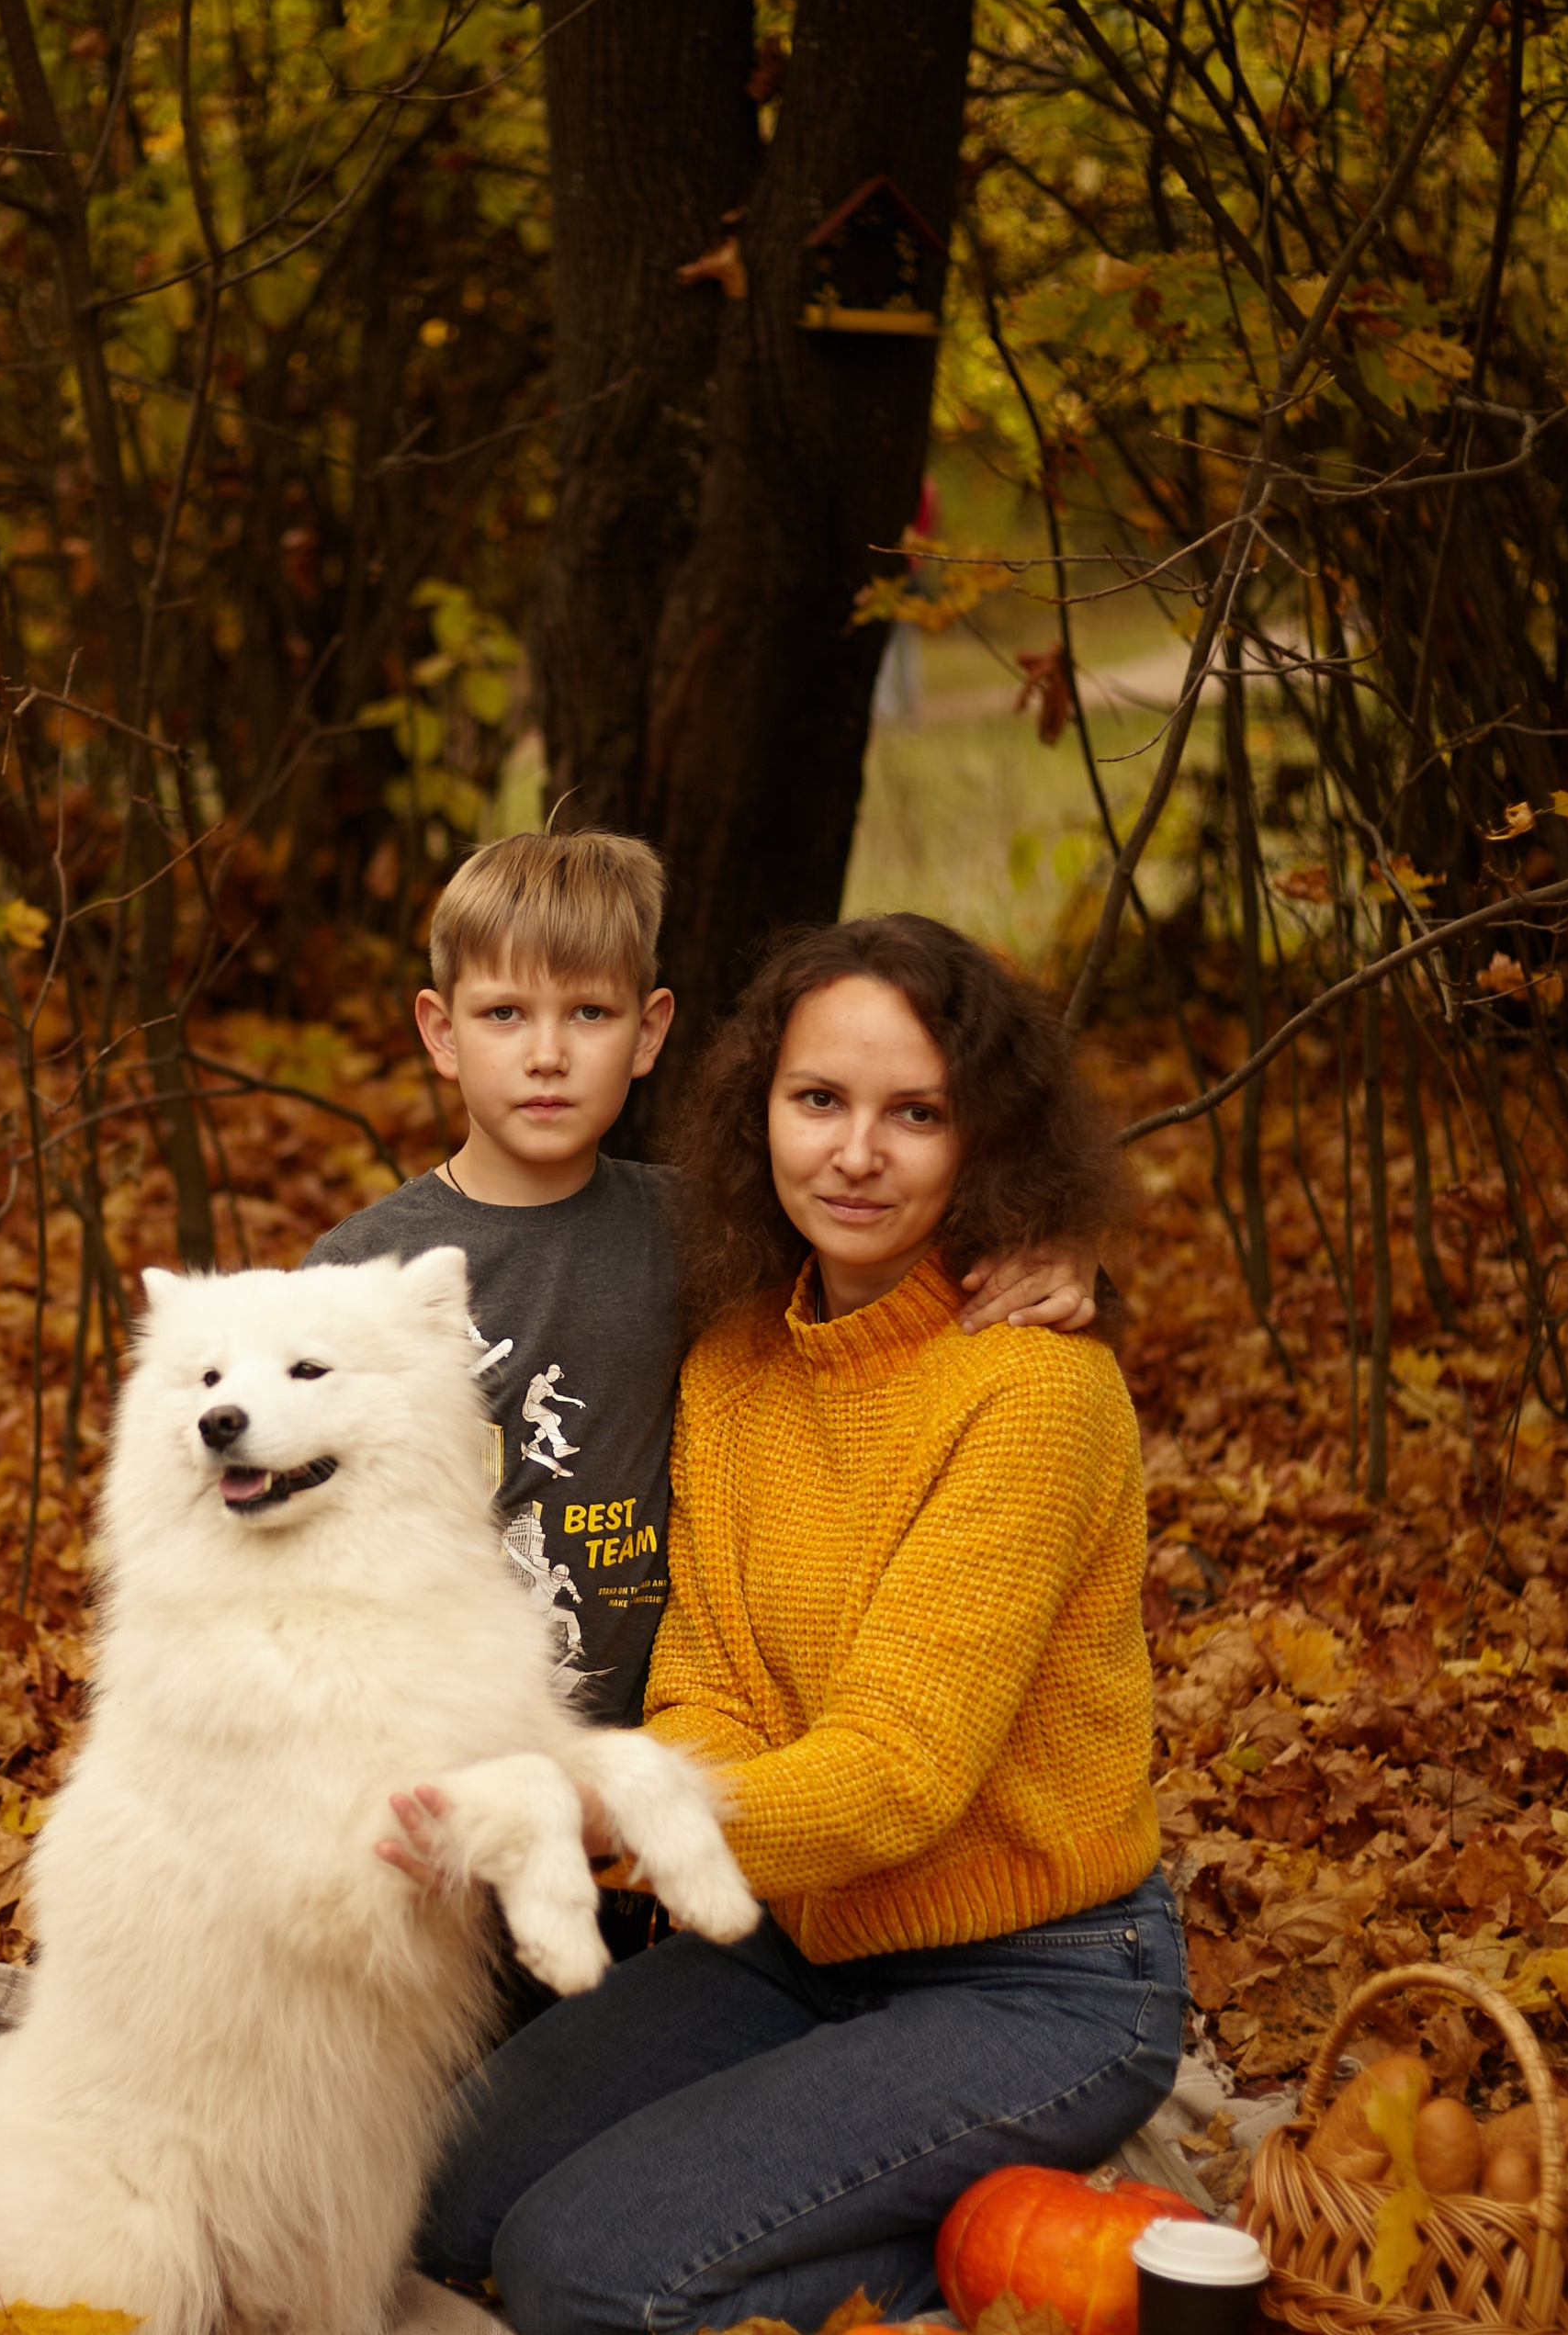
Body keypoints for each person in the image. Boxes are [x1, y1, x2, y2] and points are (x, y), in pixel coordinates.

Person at [404, 912, 1187, 2335]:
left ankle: (1036, 2248)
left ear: (985, 1138)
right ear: (760, 1103)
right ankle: (891, 2180)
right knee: (441, 2195)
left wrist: (594, 1818)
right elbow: (711, 1696)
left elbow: (897, 1777)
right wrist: (626, 1788)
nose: (856, 1153)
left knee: (588, 2273)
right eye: (819, 1099)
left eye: (918, 1114)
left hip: (1033, 1979)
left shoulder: (1034, 1396)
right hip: (797, 1939)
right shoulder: (743, 1360)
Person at [307, 833, 1098, 1745]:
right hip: (431, 1751)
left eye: (591, 1014)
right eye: (503, 1015)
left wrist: (1063, 1248)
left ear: (649, 1033)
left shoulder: (709, 1228)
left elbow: (880, 1259)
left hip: (676, 1757)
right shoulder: (354, 1275)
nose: (548, 1054)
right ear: (441, 1033)